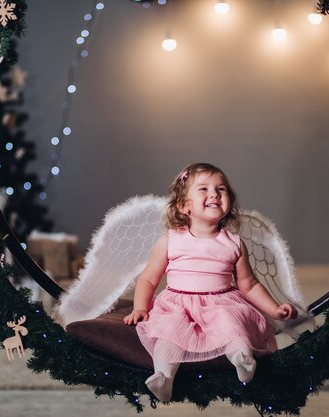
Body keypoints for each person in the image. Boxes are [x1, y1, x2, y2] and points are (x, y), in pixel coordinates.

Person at [123, 162, 298, 401]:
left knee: (233, 327)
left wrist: (274, 309)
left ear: (229, 202)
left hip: (220, 304)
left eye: (221, 189)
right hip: (177, 306)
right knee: (168, 335)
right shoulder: (170, 240)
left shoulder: (233, 243)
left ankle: (243, 360)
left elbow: (249, 284)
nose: (214, 193)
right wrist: (141, 307)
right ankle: (163, 377)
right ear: (184, 206)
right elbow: (148, 278)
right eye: (203, 189)